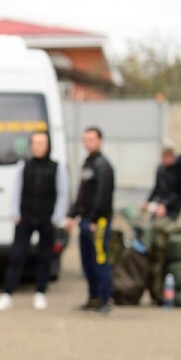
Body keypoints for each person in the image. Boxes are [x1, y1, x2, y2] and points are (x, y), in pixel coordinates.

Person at [0, 131, 68, 311]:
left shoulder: (57, 167)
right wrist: (14, 214)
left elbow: (63, 193)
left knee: (44, 257)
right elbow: (16, 191)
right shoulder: (23, 165)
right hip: (25, 218)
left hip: (47, 219)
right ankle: (7, 293)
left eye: (41, 143)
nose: (38, 147)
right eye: (35, 143)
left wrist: (57, 217)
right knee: (17, 256)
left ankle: (40, 293)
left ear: (48, 145)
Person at [66, 126, 115, 313]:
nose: (88, 143)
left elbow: (103, 195)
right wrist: (72, 215)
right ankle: (93, 297)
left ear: (100, 141)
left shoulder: (103, 165)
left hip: (99, 222)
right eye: (85, 140)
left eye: (92, 139)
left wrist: (95, 219)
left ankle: (105, 298)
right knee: (87, 261)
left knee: (100, 259)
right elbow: (82, 194)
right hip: (85, 220)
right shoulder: (87, 163)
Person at [142, 147, 181, 220]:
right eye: (163, 158)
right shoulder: (160, 169)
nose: (164, 161)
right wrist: (147, 201)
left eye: (167, 158)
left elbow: (178, 192)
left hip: (173, 208)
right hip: (159, 205)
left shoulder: (178, 170)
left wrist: (165, 205)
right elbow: (157, 187)